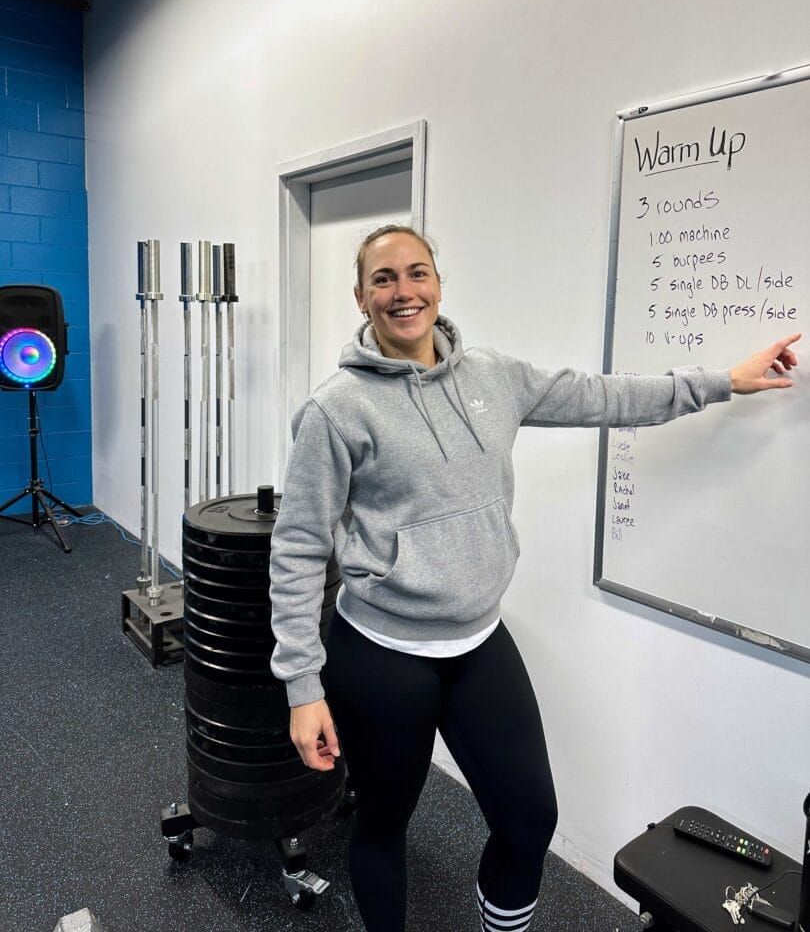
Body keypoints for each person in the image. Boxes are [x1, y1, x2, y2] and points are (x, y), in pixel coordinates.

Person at [268, 224, 799, 932]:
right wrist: (303, 686)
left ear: (438, 283)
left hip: (478, 642)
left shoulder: (492, 375)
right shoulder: (337, 409)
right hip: (383, 654)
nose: (404, 292)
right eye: (385, 279)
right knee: (383, 825)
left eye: (417, 273)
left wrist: (724, 381)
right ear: (361, 297)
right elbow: (299, 546)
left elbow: (603, 396)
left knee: (528, 820)